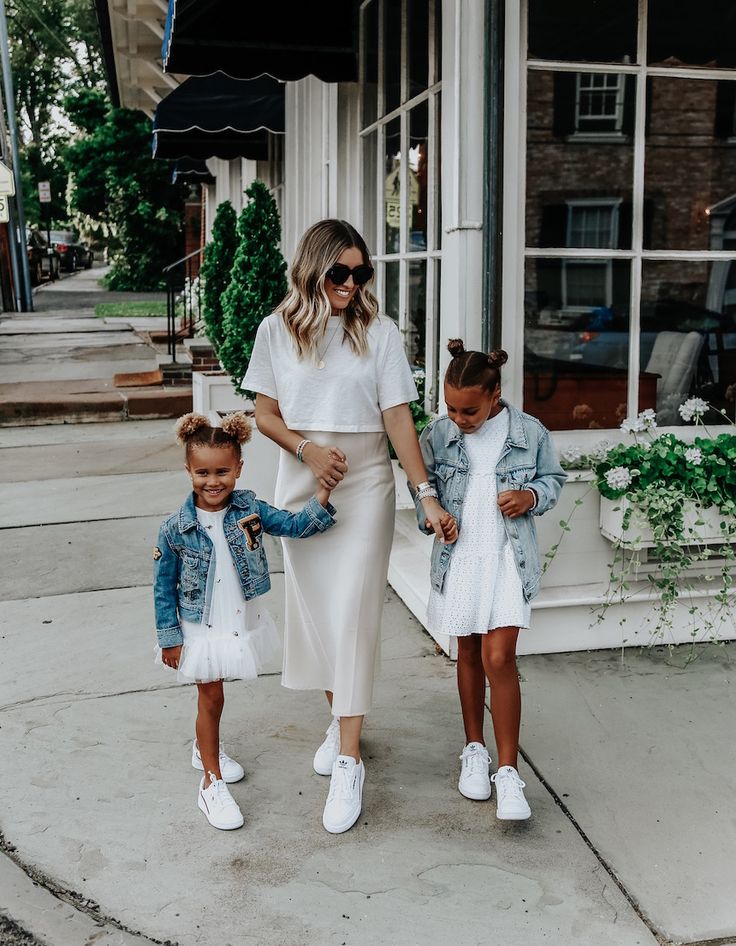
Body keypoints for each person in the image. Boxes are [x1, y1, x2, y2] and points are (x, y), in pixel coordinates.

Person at [243, 219, 456, 834]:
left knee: (354, 615)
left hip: (365, 483)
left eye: (360, 273)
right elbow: (264, 412)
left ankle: (348, 758)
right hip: (303, 477)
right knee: (316, 616)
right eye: (340, 272)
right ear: (312, 268)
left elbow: (397, 416)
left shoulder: (379, 331)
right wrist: (307, 448)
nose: (350, 284)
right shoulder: (276, 330)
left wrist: (426, 494)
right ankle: (341, 719)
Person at [153, 412, 336, 831]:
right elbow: (162, 587)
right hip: (199, 624)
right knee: (211, 697)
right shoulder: (175, 529)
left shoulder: (249, 508)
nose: (212, 481)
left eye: (222, 471)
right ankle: (210, 781)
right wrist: (170, 637)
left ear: (238, 468)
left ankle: (205, 749)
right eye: (202, 473)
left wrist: (322, 496)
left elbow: (292, 526)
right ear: (188, 471)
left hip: (237, 616)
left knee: (219, 694)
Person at [417, 339, 566, 820]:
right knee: (466, 651)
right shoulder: (437, 434)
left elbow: (553, 480)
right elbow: (425, 490)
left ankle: (508, 773)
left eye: (470, 411)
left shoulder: (529, 431)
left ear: (495, 393)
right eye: (452, 408)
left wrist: (530, 496)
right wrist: (433, 516)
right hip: (461, 556)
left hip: (505, 556)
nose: (460, 418)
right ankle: (474, 750)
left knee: (498, 656)